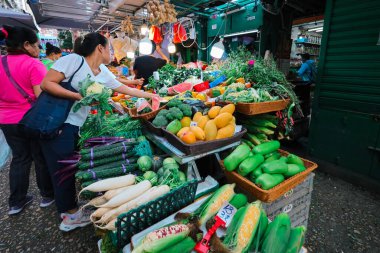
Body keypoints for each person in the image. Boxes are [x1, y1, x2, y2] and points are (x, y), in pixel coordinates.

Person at [39, 32, 159, 232]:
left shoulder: (102, 70)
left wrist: (154, 96)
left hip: (74, 125)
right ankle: (69, 216)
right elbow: (47, 83)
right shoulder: (73, 60)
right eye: (110, 48)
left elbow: (124, 88)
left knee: (66, 167)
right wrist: (79, 96)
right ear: (100, 48)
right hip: (58, 122)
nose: (112, 52)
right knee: (61, 170)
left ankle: (67, 206)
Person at [0, 25, 54, 215]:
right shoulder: (33, 64)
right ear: (26, 45)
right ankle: (47, 196)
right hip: (31, 119)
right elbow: (41, 97)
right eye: (37, 46)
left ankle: (16, 202)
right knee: (39, 157)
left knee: (20, 158)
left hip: (6, 120)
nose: (39, 50)